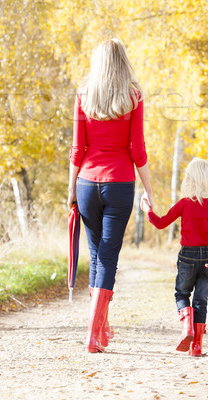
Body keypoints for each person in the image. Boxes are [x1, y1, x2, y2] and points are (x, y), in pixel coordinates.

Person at [68, 39, 153, 353]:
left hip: (87, 184)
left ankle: (101, 329)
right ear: (122, 62)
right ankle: (94, 334)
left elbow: (78, 151)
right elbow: (137, 150)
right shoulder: (133, 97)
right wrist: (149, 189)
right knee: (108, 257)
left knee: (97, 255)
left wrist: (71, 192)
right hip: (119, 183)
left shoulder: (83, 95)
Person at [140, 157, 208, 357]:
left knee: (182, 294)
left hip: (187, 257)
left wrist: (148, 210)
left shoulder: (184, 204)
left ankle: (187, 328)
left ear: (189, 180)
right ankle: (197, 345)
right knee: (201, 300)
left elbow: (161, 223)